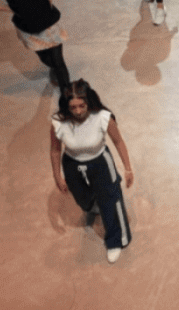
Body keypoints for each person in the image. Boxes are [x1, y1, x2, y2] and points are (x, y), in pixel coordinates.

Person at [49, 79, 134, 264]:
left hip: (100, 162)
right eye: (73, 107)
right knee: (82, 200)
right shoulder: (58, 122)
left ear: (89, 101)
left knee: (109, 201)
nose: (78, 111)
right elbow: (55, 150)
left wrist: (128, 168)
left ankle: (115, 240)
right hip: (72, 163)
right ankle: (94, 206)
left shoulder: (103, 117)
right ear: (66, 106)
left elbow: (118, 142)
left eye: (82, 105)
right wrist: (57, 175)